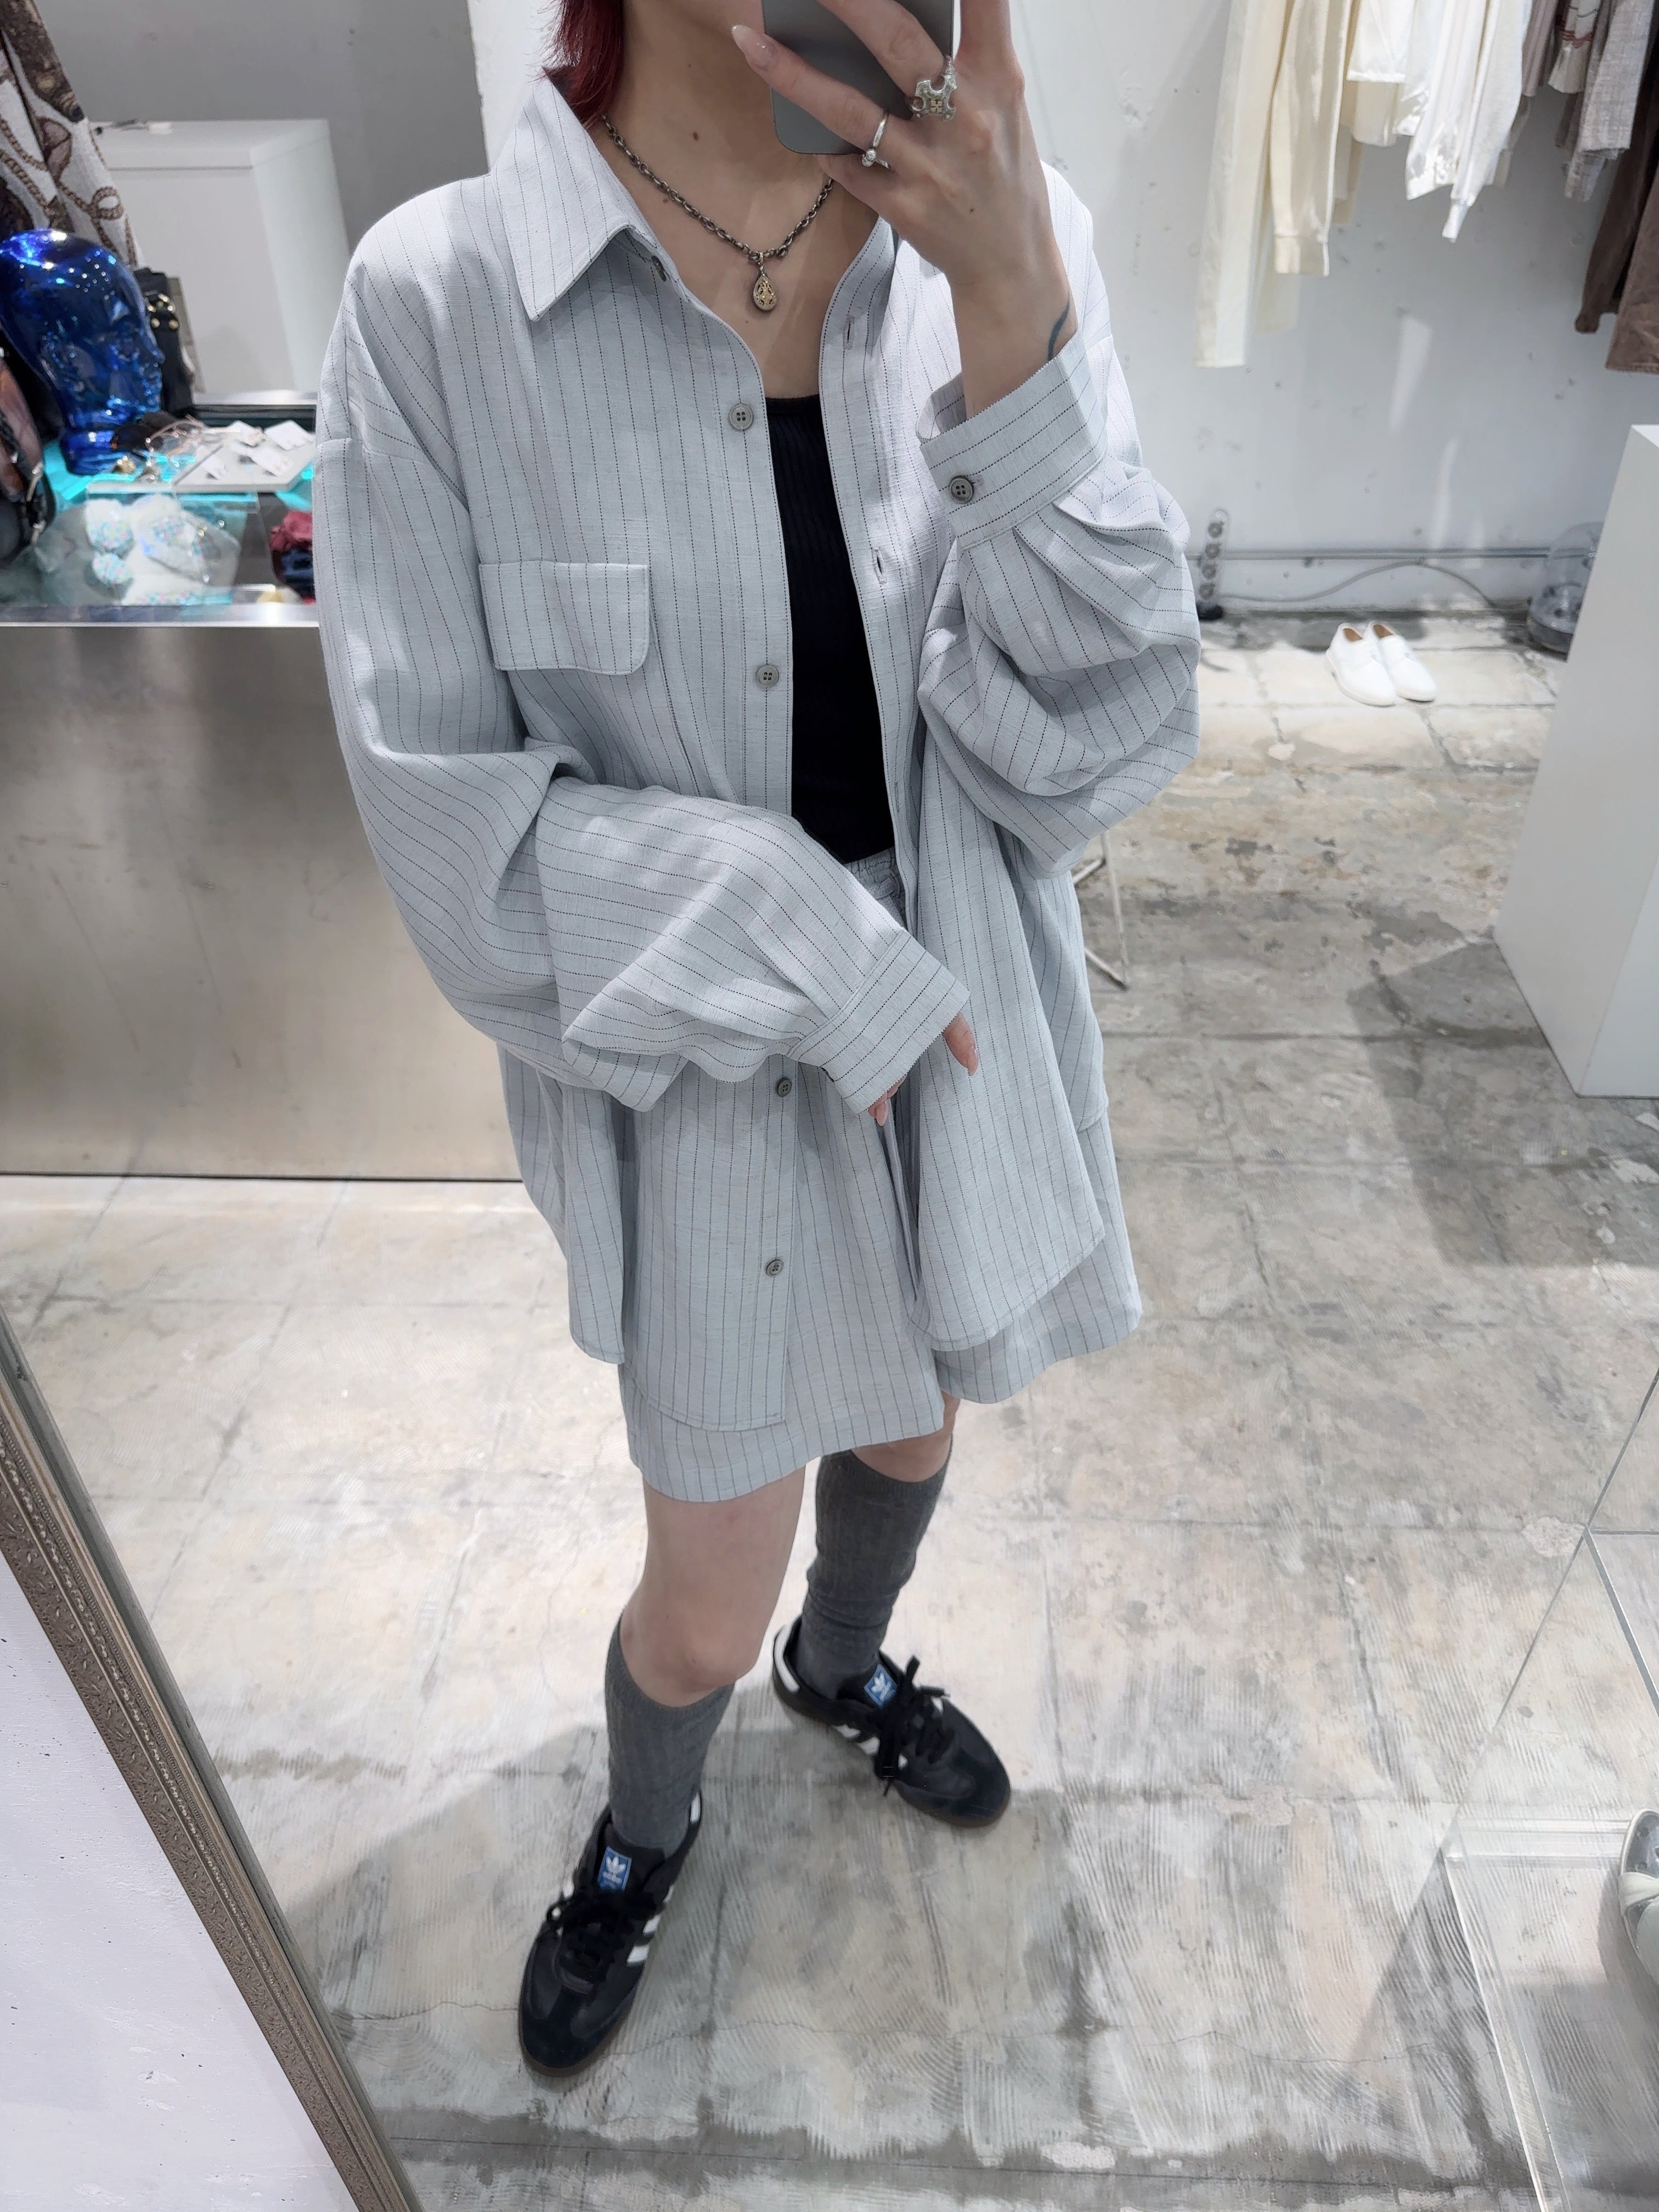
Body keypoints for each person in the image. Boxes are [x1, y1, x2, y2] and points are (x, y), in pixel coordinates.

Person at [313, 0, 1199, 2079]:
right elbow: (461, 849)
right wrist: (814, 948)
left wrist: (1014, 315)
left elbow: (1093, 752)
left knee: (917, 1429)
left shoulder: (1014, 238)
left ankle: (848, 1661)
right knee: (703, 1586)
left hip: (965, 1017)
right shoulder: (442, 302)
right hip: (701, 1063)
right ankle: (647, 1825)